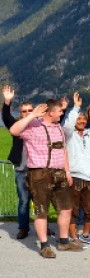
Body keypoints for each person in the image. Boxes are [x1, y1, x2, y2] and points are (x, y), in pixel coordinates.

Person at [10, 99, 84, 258]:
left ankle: (64, 242)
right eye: (59, 111)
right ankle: (44, 245)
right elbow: (14, 130)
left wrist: (67, 171)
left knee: (66, 208)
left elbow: (63, 150)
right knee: (41, 211)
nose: (61, 113)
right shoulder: (33, 127)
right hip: (39, 174)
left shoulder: (58, 128)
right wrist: (32, 115)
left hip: (59, 173)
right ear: (51, 112)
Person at [63, 92, 90, 246]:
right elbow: (67, 124)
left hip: (88, 176)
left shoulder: (88, 134)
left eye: (84, 119)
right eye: (79, 119)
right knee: (73, 209)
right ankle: (73, 236)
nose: (82, 121)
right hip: (74, 175)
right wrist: (76, 107)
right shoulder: (69, 134)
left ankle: (85, 234)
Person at [2, 85, 33, 240]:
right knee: (23, 201)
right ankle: (23, 228)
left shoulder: (38, 126)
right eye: (24, 111)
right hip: (22, 169)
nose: (27, 113)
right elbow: (6, 118)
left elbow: (57, 120)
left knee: (42, 200)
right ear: (20, 113)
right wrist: (7, 102)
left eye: (29, 110)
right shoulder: (16, 126)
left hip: (38, 170)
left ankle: (44, 227)